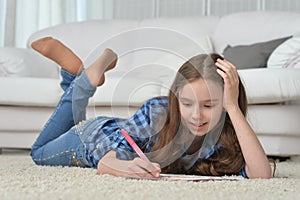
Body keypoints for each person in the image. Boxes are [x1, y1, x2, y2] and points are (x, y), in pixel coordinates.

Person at [30, 37, 271, 179]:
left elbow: (261, 175)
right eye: (187, 104)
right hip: (92, 140)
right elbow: (110, 154)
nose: (197, 114)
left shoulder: (225, 130)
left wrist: (233, 107)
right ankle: (82, 83)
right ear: (176, 99)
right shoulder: (160, 110)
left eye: (209, 105)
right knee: (39, 153)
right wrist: (121, 166)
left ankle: (73, 75)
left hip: (111, 132)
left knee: (72, 118)